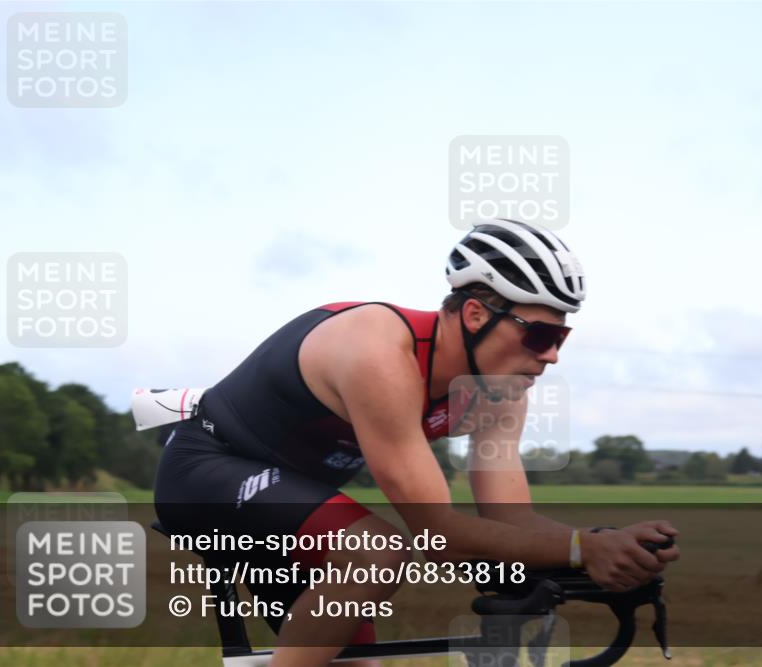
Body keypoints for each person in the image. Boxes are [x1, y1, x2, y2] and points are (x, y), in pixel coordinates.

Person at [153, 218, 680, 667]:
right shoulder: (379, 352)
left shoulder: (499, 393)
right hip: (206, 470)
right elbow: (438, 535)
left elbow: (511, 521)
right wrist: (581, 549)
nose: (552, 356)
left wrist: (608, 546)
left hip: (291, 505)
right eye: (540, 335)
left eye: (561, 337)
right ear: (476, 315)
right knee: (377, 551)